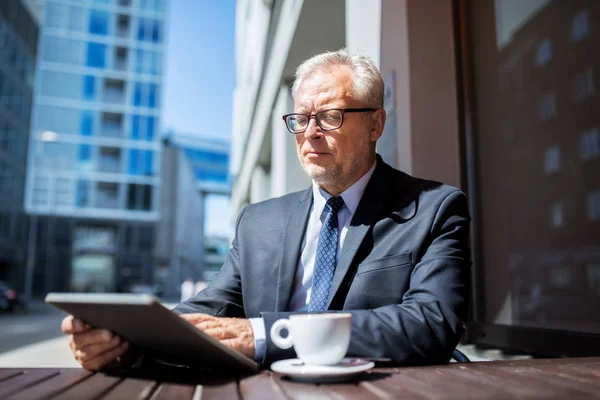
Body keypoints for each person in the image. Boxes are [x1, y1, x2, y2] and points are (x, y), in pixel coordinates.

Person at [61, 49, 471, 371]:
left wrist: (267, 334)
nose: (310, 133)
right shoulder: (258, 222)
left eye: (329, 117)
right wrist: (126, 343)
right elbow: (211, 314)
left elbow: (429, 324)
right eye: (301, 118)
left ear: (375, 125)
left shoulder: (433, 209)